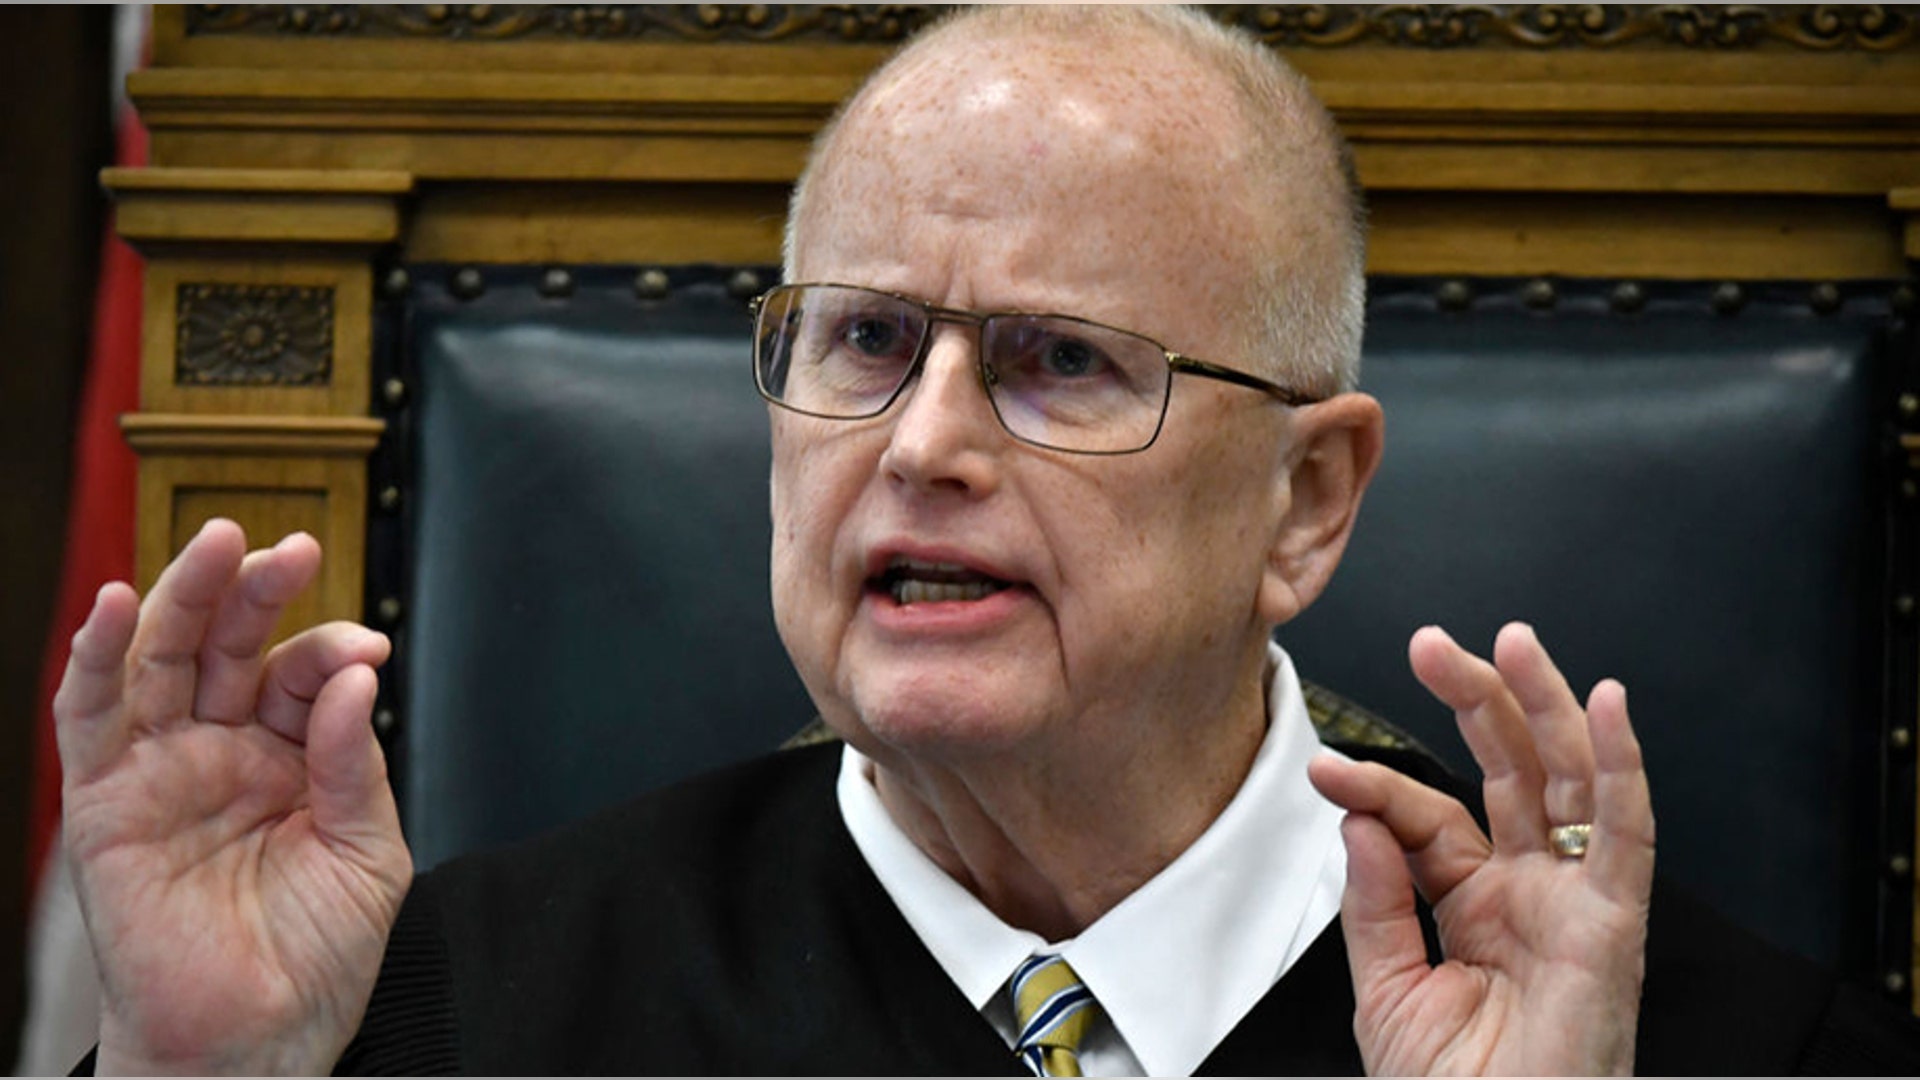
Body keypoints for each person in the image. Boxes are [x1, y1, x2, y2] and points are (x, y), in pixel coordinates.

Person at [50, 5, 1920, 1075]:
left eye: (1058, 363)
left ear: (1307, 499)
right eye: (865, 339)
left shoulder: (1708, 1049)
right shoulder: (427, 1010)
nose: (924, 443)